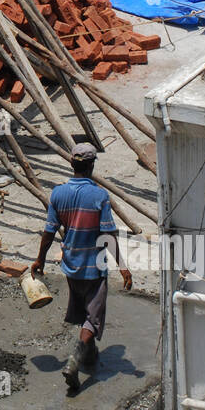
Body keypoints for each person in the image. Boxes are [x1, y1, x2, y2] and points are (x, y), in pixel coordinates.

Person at [30, 141, 132, 394]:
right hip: (94, 268)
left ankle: (89, 355)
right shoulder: (99, 196)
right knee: (93, 318)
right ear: (91, 165)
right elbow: (108, 234)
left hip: (71, 265)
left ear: (71, 163)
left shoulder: (57, 193)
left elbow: (49, 231)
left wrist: (40, 259)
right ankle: (74, 362)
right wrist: (123, 267)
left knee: (84, 311)